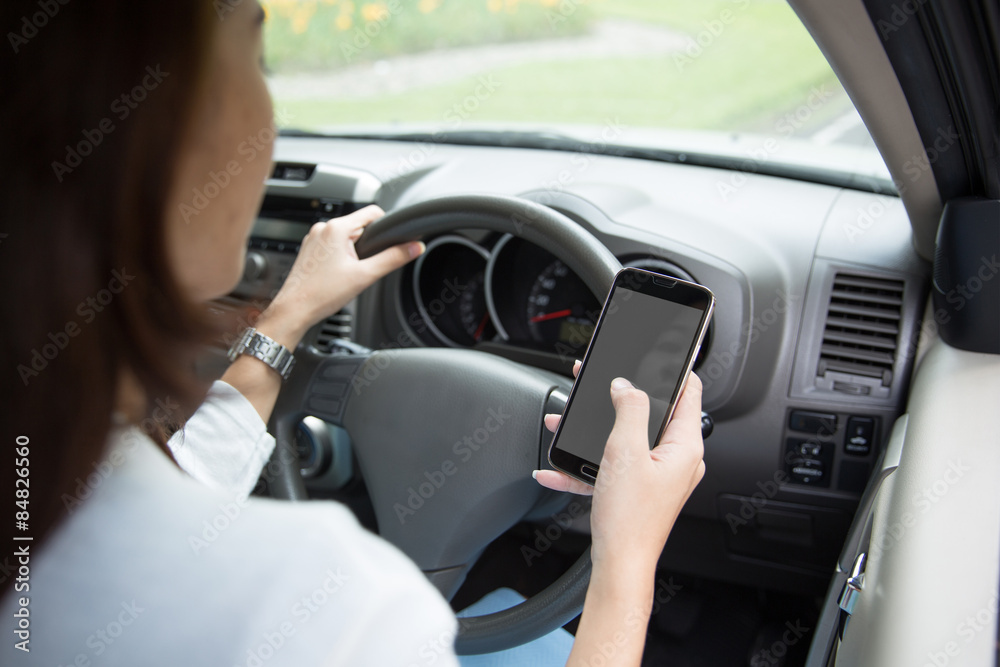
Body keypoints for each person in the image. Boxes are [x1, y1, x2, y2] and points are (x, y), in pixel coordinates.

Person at [0, 1, 706, 665]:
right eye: (257, 55)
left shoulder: (44, 476)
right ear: (166, 132)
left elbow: (170, 492)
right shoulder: (332, 604)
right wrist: (627, 553)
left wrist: (286, 315)